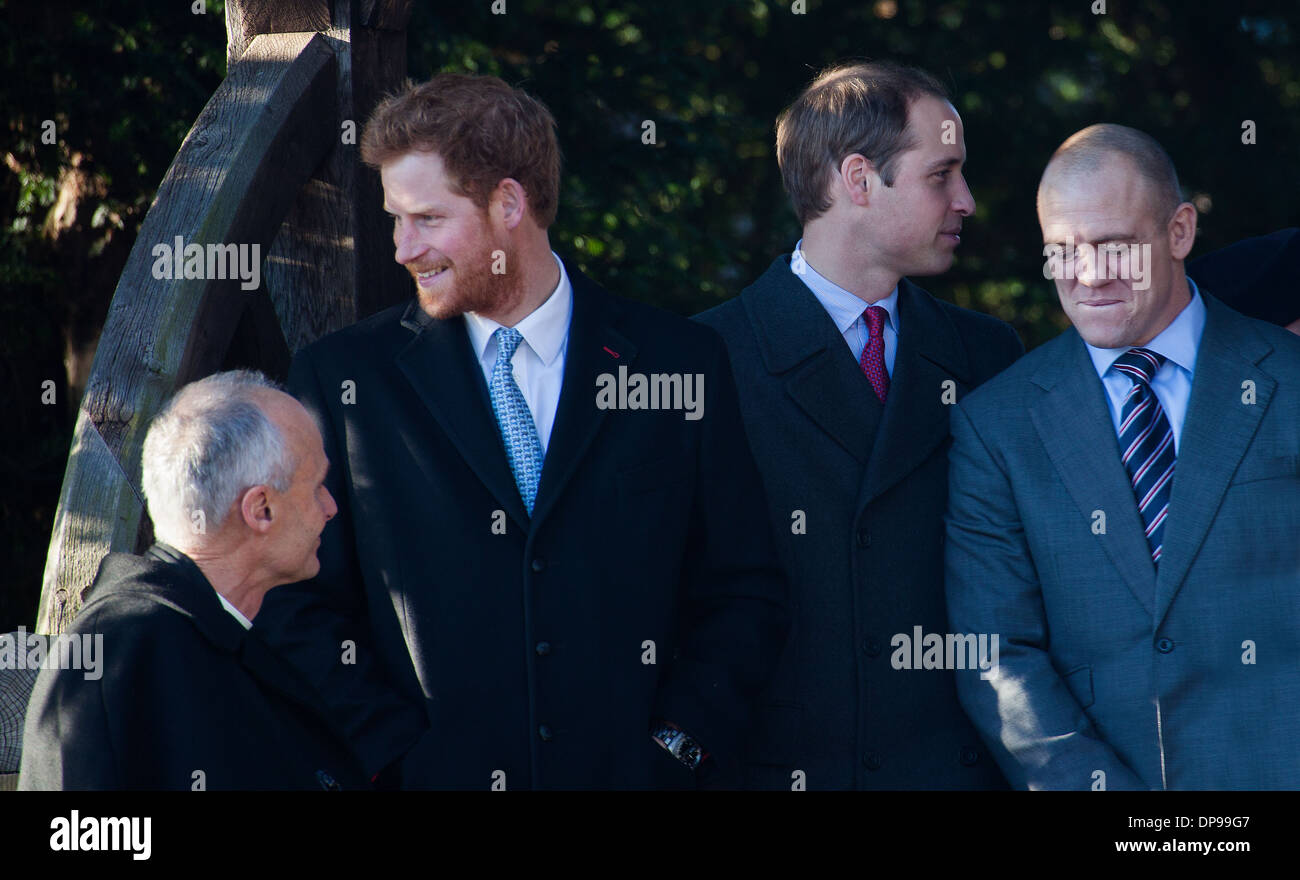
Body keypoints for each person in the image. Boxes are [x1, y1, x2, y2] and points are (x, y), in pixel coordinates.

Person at [254, 74, 788, 790]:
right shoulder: (344, 381)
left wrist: (677, 749)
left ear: (510, 202)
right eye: (394, 220)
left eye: (427, 219)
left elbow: (742, 590)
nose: (403, 248)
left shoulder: (679, 362)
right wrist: (397, 759)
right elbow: (291, 600)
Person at [696, 61, 1021, 790]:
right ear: (858, 180)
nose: (967, 200)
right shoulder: (708, 358)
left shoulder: (987, 353)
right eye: (943, 175)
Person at [945, 124, 1300, 790]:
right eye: (1062, 252)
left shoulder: (1289, 377)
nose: (1088, 277)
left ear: (1179, 232)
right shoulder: (996, 426)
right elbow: (995, 655)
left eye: (1114, 246)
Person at [20, 370, 367, 790]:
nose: (330, 507)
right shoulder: (117, 658)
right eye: (316, 488)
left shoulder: (218, 632)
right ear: (261, 509)